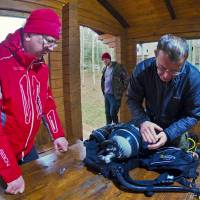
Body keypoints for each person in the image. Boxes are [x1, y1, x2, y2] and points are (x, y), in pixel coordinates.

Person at [0, 8, 68, 194]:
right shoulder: (1, 61)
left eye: (55, 43)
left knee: (40, 191)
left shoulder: (40, 66)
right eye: (49, 41)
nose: (52, 48)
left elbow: (46, 101)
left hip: (28, 149)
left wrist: (58, 134)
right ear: (29, 34)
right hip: (3, 156)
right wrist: (10, 171)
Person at [127, 34, 200, 151]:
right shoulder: (141, 70)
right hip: (149, 126)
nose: (166, 76)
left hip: (177, 131)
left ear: (184, 62)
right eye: (161, 67)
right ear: (156, 53)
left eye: (175, 71)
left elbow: (193, 114)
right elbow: (132, 99)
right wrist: (142, 121)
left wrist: (169, 133)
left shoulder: (194, 78)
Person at [101, 52, 128, 125]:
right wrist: (104, 91)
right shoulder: (105, 69)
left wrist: (121, 90)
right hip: (107, 94)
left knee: (113, 112)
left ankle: (116, 126)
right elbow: (104, 80)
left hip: (115, 95)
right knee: (107, 113)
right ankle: (108, 128)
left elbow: (126, 79)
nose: (104, 61)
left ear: (109, 59)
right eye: (103, 60)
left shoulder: (118, 67)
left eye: (106, 59)